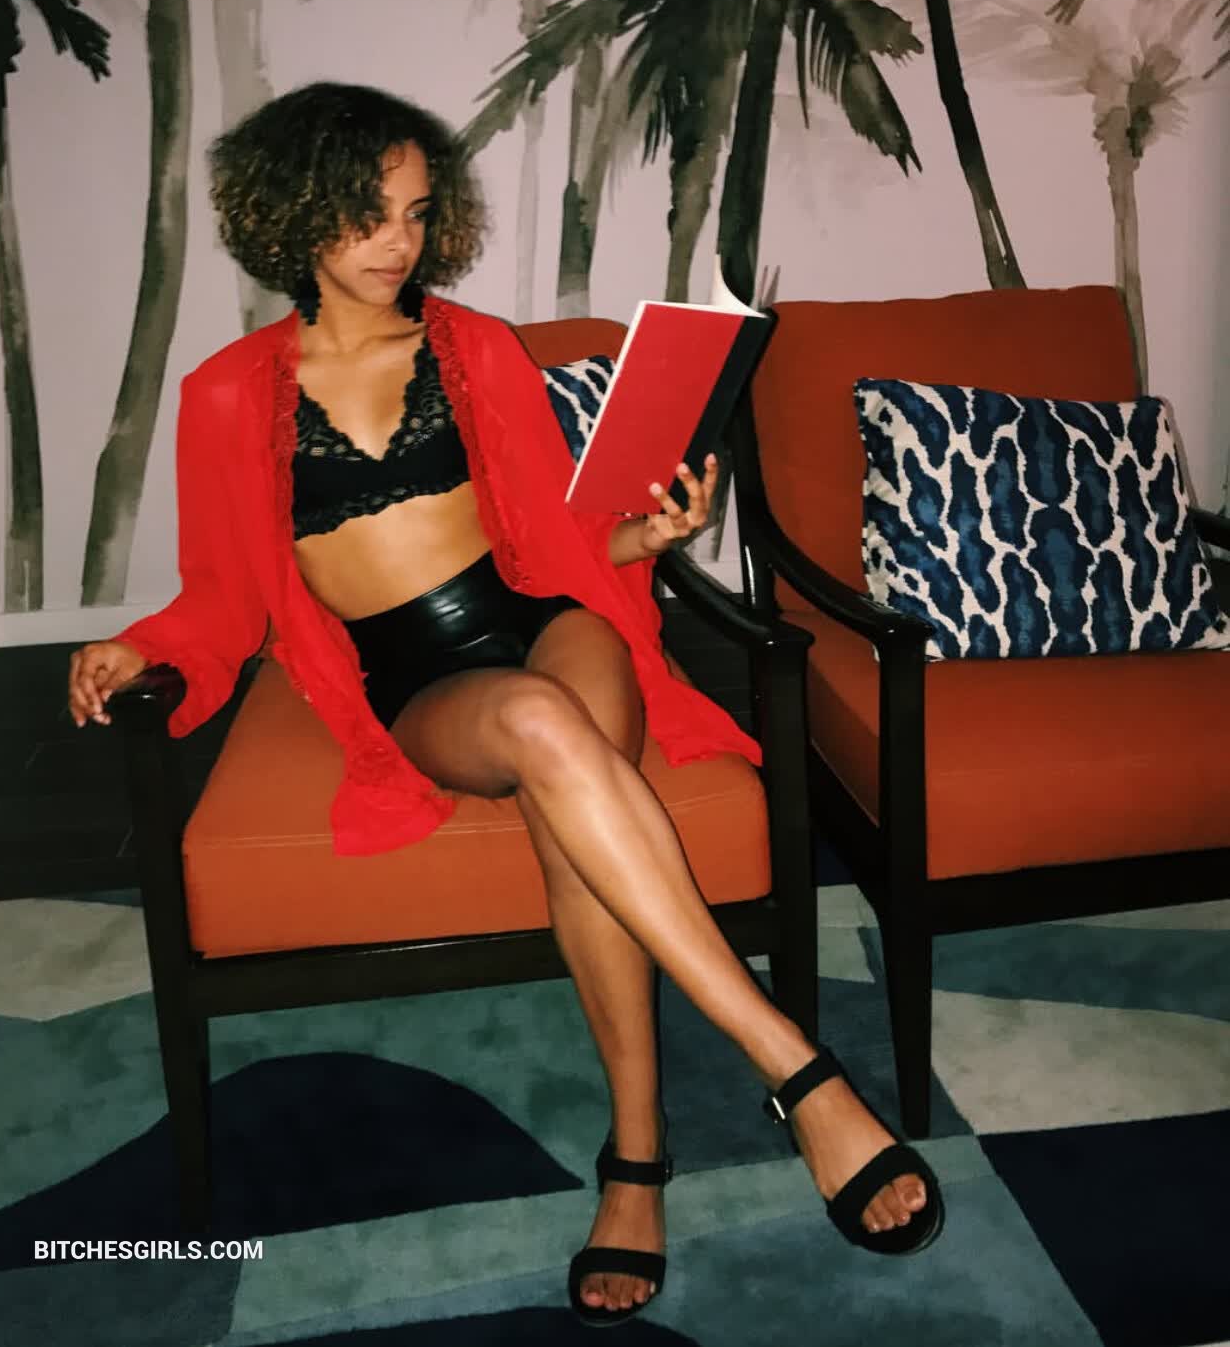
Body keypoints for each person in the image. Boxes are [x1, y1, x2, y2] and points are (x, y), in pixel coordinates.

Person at [68, 82, 942, 1325]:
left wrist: (651, 534)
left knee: (567, 785)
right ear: (292, 214)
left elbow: (558, 536)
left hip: (547, 616)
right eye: (368, 214)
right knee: (539, 731)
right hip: (420, 676)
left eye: (417, 214)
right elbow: (223, 593)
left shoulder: (475, 348)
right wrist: (136, 645)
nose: (399, 242)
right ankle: (797, 1070)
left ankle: (638, 1157)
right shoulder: (226, 393)